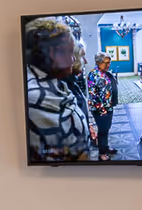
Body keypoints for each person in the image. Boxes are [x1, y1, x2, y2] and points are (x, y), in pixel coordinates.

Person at [22, 18, 93, 162]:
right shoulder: (35, 96)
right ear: (53, 53)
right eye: (69, 52)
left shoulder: (54, 81)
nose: (74, 60)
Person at [89, 54, 119, 158]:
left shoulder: (105, 73)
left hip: (108, 107)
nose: (108, 65)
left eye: (109, 62)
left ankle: (105, 147)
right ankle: (102, 153)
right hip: (100, 109)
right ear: (98, 62)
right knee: (102, 130)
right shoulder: (93, 74)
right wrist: (102, 110)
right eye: (105, 63)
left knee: (106, 129)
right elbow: (93, 95)